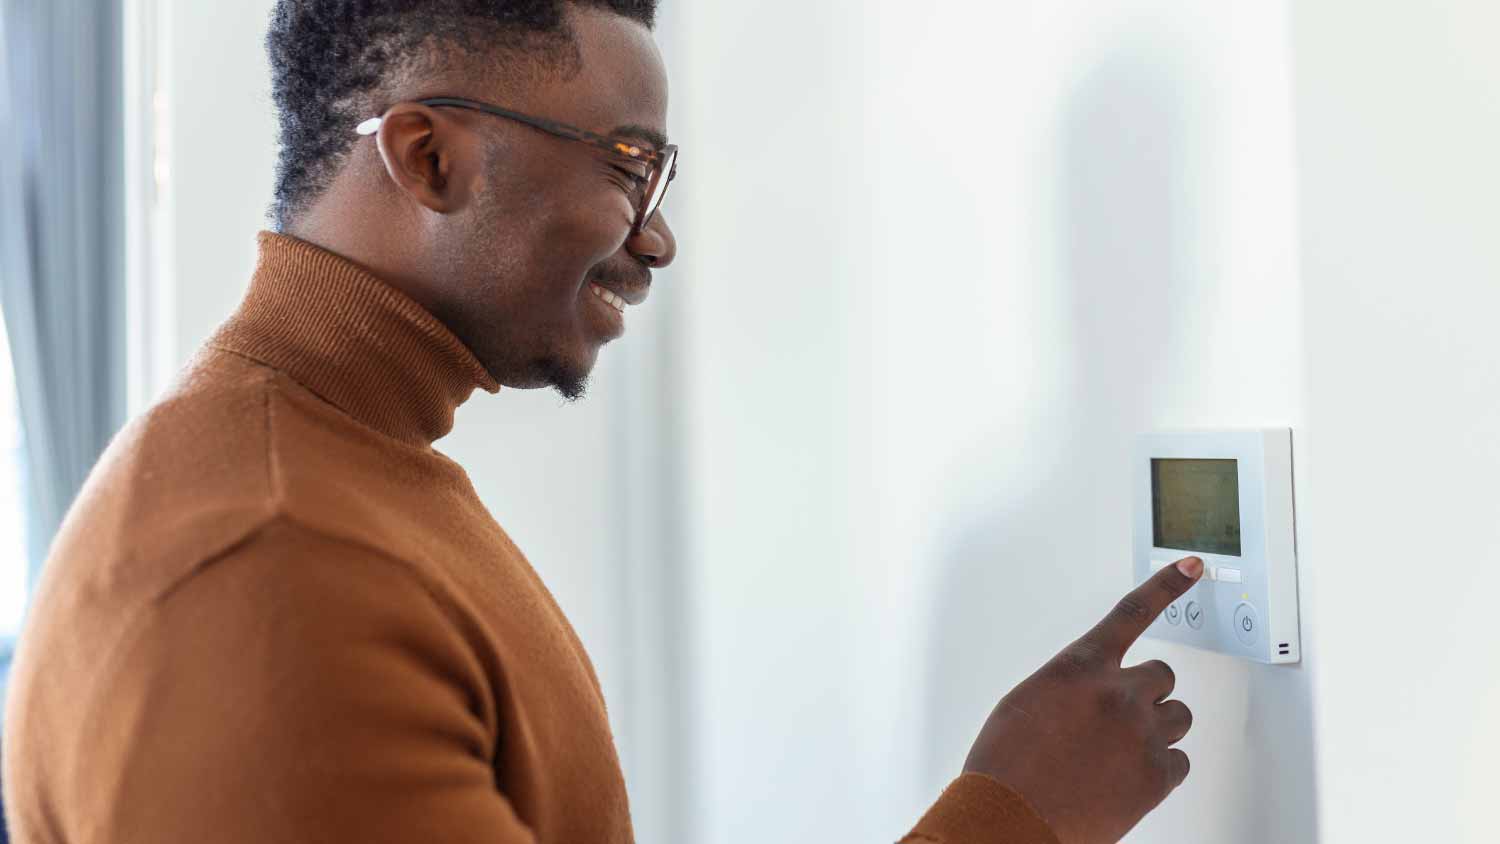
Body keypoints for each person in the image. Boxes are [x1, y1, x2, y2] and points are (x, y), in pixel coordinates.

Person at [1, 2, 1198, 842]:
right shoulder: (270, 570)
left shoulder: (342, 474)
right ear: (427, 157)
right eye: (630, 165)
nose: (658, 236)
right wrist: (1011, 819)